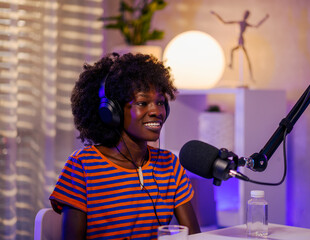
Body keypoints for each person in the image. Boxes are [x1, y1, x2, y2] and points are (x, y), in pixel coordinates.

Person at [49, 52, 201, 239]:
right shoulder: (83, 166)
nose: (156, 111)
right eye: (142, 103)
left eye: (160, 102)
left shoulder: (169, 165)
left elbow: (194, 237)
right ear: (112, 111)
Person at [211, 10, 269, 81]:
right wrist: (215, 14)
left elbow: (256, 26)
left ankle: (248, 75)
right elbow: (225, 22)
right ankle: (232, 65)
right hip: (240, 39)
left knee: (244, 56)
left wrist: (265, 18)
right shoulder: (241, 23)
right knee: (234, 51)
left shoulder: (244, 23)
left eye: (246, 15)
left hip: (241, 40)